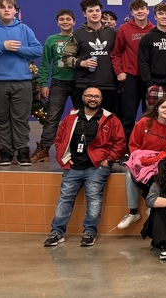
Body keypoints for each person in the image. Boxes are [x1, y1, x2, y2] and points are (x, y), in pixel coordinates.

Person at [43, 87, 126, 247]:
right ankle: (57, 232)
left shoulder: (110, 119)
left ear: (101, 99)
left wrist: (109, 160)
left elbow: (120, 143)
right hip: (73, 167)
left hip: (96, 167)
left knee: (94, 198)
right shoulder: (71, 117)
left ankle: (89, 232)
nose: (93, 99)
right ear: (83, 97)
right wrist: (65, 159)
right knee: (65, 198)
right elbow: (59, 139)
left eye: (96, 96)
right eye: (89, 96)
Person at [0, 0, 43, 166]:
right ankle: (6, 151)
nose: (6, 10)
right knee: (1, 117)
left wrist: (18, 49)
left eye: (9, 7)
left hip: (22, 81)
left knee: (21, 118)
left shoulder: (24, 29)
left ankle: (22, 151)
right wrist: (2, 46)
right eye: (2, 7)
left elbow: (37, 50)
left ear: (15, 10)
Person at [117, 96, 166, 231]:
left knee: (157, 173)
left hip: (159, 159)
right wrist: (139, 160)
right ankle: (133, 212)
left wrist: (154, 160)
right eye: (163, 107)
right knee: (130, 174)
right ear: (157, 109)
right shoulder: (144, 122)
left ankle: (152, 205)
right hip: (139, 157)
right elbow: (133, 144)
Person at [31, 8, 76, 163]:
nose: (65, 22)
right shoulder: (51, 40)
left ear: (74, 22)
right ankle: (44, 149)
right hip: (58, 83)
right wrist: (44, 83)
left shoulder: (79, 37)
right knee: (52, 118)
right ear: (57, 23)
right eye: (62, 19)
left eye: (68, 19)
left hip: (78, 83)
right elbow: (45, 64)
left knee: (81, 117)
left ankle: (80, 149)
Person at [62, 0, 118, 115]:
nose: (95, 13)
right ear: (84, 14)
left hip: (109, 84)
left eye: (97, 10)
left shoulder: (112, 33)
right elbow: (66, 58)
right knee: (85, 119)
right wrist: (82, 63)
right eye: (91, 11)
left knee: (109, 120)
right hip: (85, 84)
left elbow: (119, 55)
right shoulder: (77, 34)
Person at [110, 0, 154, 141]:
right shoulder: (124, 29)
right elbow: (115, 53)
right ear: (131, 12)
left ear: (148, 10)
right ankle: (125, 147)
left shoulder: (154, 30)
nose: (140, 11)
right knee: (128, 115)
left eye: (142, 8)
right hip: (130, 77)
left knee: (149, 115)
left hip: (149, 79)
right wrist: (119, 72)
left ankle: (147, 144)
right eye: (136, 9)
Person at [137, 2, 166, 109]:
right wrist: (149, 84)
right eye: (160, 14)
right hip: (155, 86)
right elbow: (143, 62)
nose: (164, 17)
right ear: (155, 17)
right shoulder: (147, 38)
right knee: (153, 118)